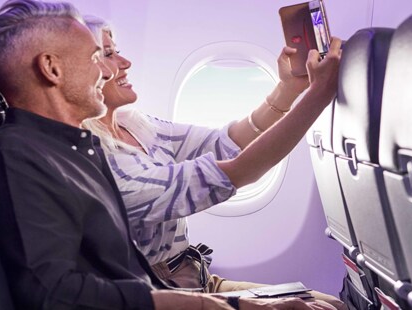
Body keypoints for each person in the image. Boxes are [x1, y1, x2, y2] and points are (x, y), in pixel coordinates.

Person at [0, 0, 334, 309]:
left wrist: (235, 304)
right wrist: (319, 94)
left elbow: (126, 276)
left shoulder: (78, 149)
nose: (107, 71)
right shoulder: (16, 159)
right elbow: (54, 294)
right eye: (96, 57)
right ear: (52, 68)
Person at [81, 16, 345, 308]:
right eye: (108, 54)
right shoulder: (100, 162)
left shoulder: (135, 125)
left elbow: (223, 143)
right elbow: (236, 172)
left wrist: (288, 90)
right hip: (161, 288)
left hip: (197, 276)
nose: (125, 61)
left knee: (331, 303)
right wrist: (319, 94)